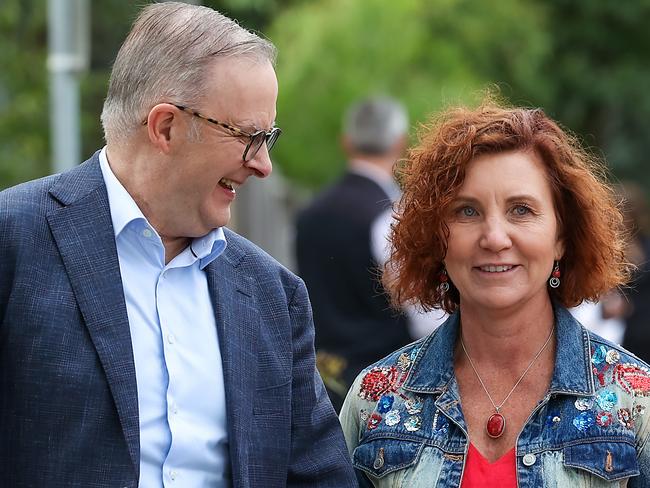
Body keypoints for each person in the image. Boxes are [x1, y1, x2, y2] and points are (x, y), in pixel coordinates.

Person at [0, 3, 356, 487]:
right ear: (165, 126)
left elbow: (319, 478)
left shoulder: (274, 296)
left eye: (269, 137)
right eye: (249, 137)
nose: (264, 165)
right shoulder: (13, 241)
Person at [339, 100, 650, 486]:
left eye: (521, 210)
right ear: (437, 237)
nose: (494, 237)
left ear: (563, 238)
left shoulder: (633, 400)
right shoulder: (376, 400)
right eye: (467, 211)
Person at [295, 97, 413, 412]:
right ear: (400, 143)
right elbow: (421, 312)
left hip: (320, 383)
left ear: (346, 143)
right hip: (386, 387)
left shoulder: (308, 214)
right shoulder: (393, 218)